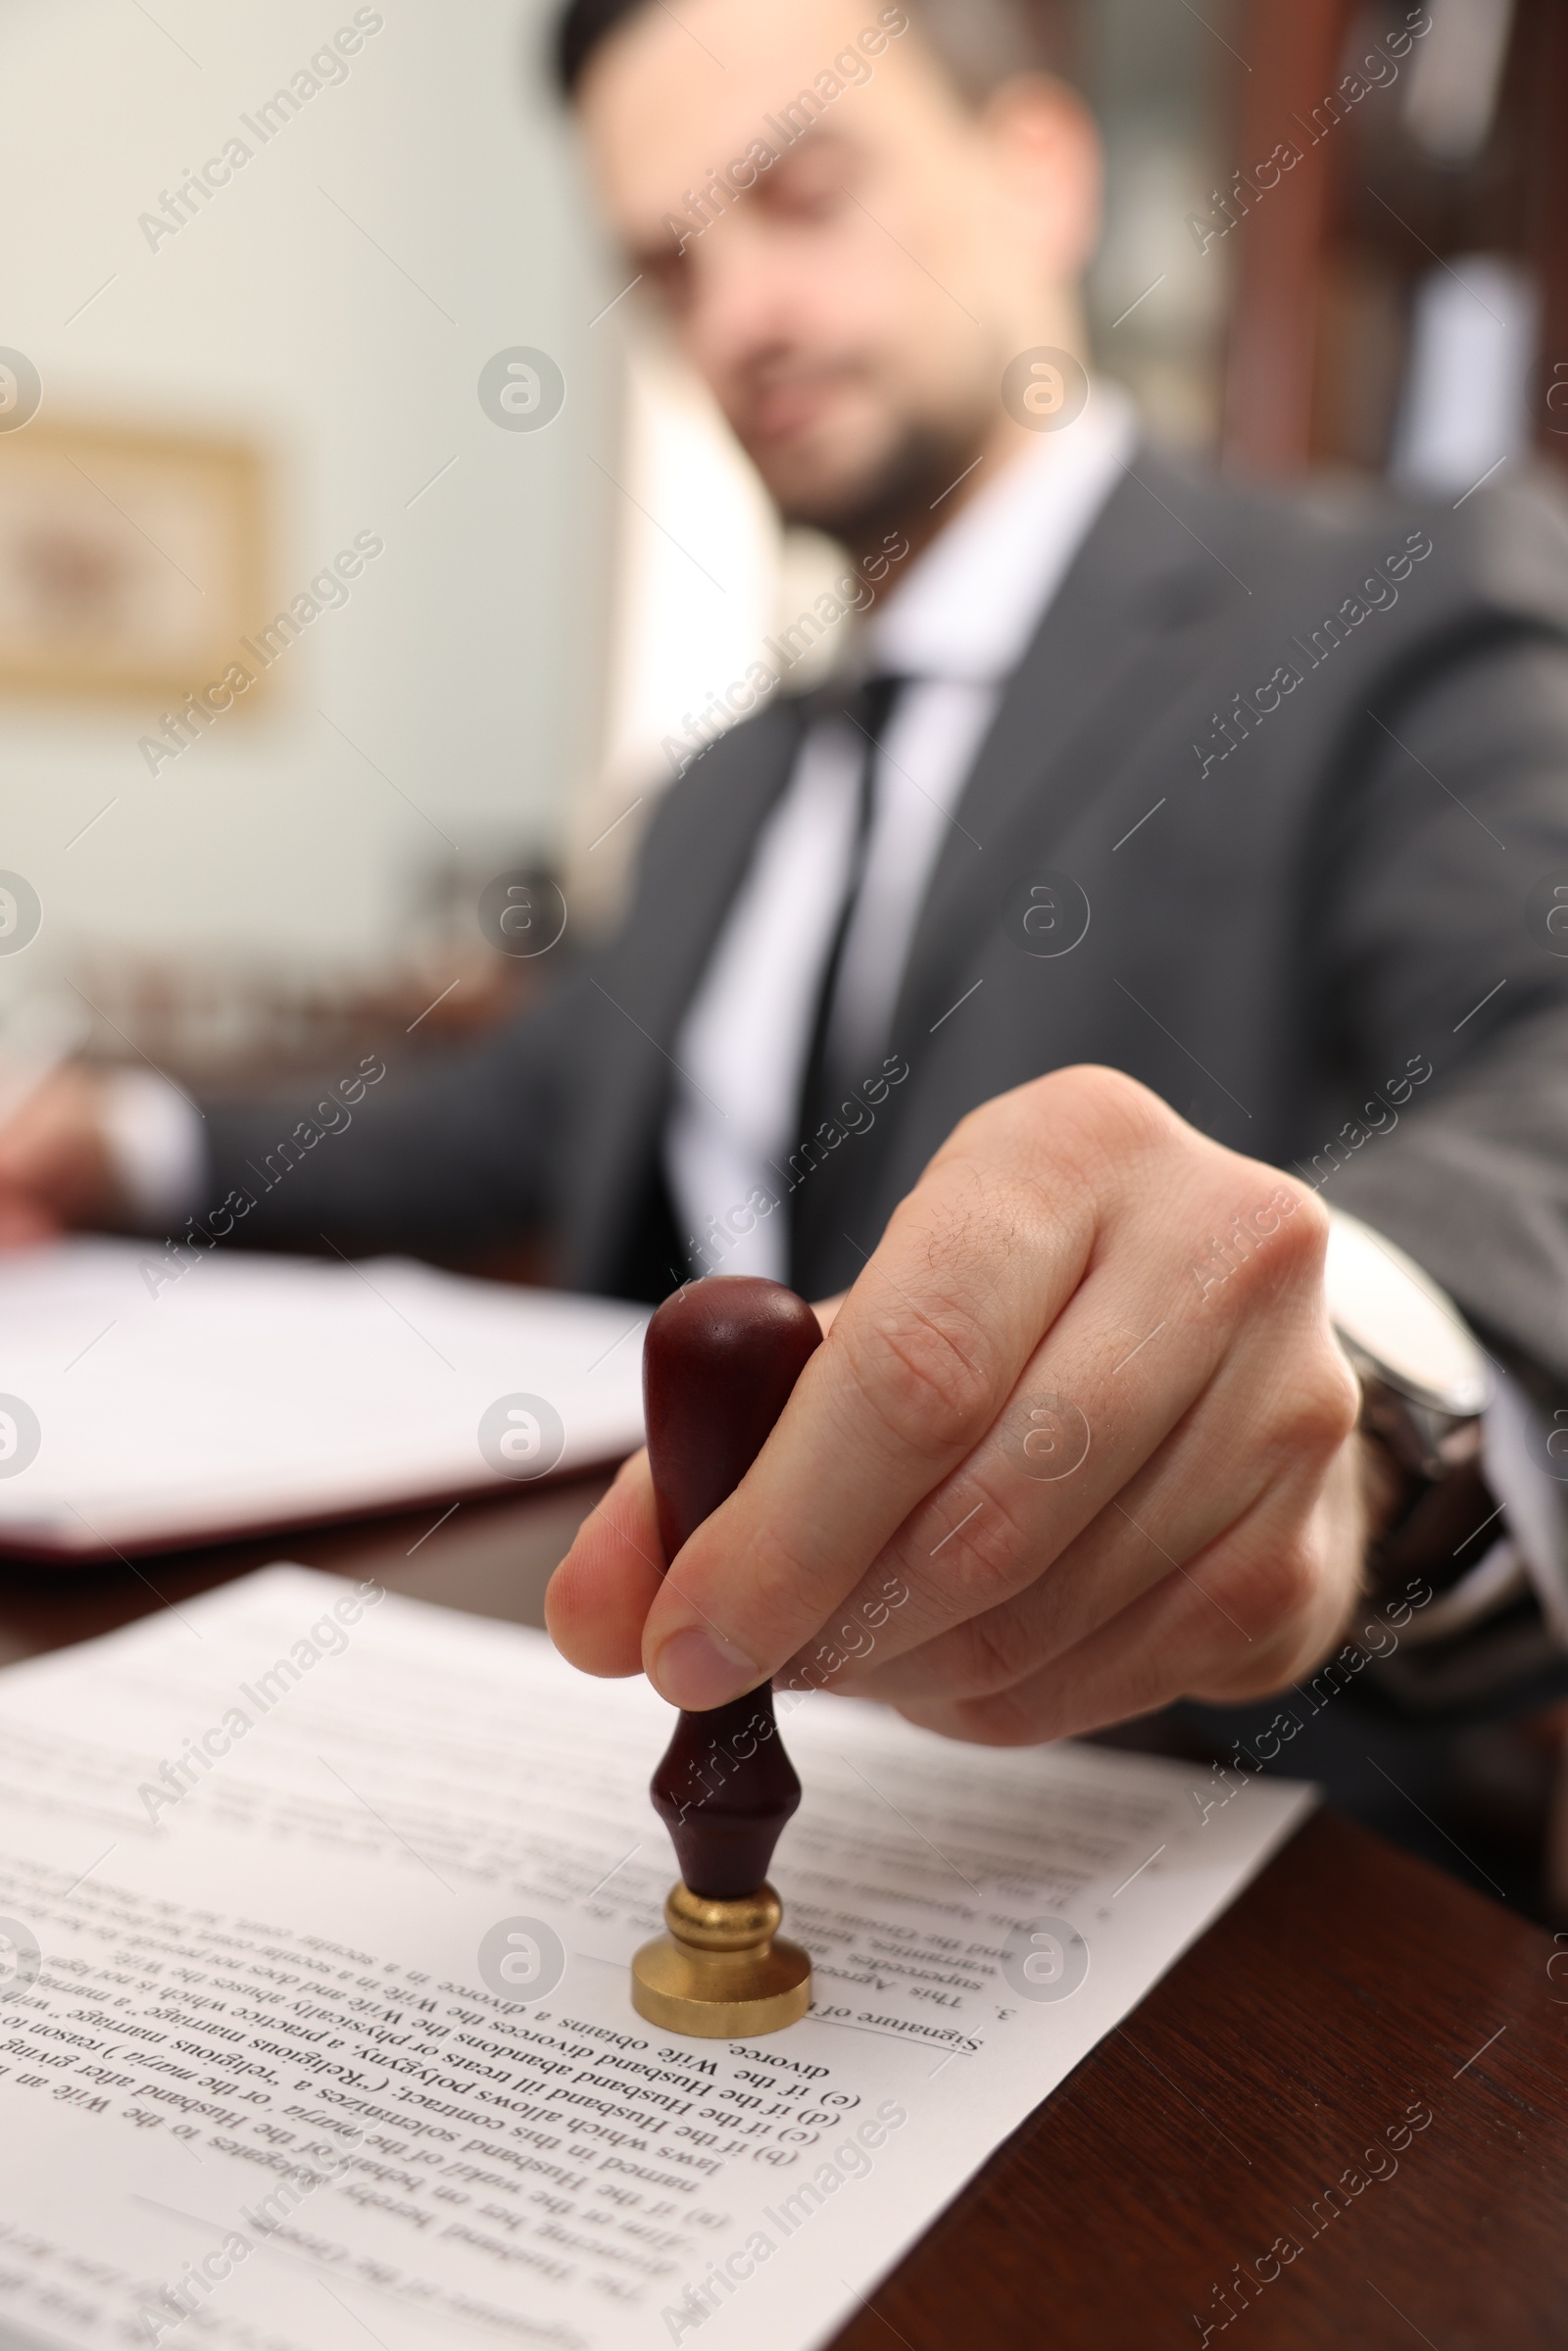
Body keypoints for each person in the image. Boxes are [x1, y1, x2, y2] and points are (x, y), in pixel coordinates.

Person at [5, 0, 1568, 1823]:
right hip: (599, 1756)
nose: (741, 316)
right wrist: (109, 1133)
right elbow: (507, 1114)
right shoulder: (721, 790)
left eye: (805, 198)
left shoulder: (1384, 606)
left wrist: (1362, 1371)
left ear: (1039, 174)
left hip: (1169, 1843)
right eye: (668, 265)